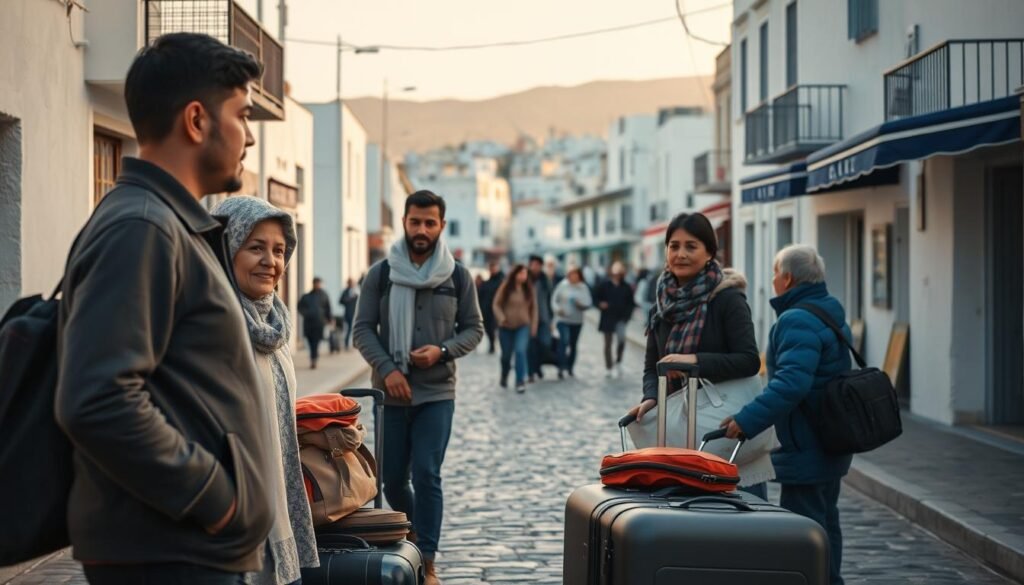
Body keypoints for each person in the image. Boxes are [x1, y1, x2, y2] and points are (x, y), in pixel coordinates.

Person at [54, 33, 274, 584]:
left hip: (181, 549)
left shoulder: (165, 222)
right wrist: (217, 498)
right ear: (197, 121)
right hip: (171, 553)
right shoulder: (143, 228)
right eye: (242, 115)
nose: (248, 137)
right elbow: (98, 398)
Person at [352, 190, 483, 585]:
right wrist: (389, 369)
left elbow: (474, 329)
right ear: (405, 222)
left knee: (427, 473)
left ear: (441, 225)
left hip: (437, 394)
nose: (421, 229)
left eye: (430, 222)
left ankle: (426, 560)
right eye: (415, 221)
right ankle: (409, 536)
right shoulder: (381, 273)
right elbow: (361, 330)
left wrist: (442, 351)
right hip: (390, 395)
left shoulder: (458, 276)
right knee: (392, 480)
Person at [721, 244, 853, 585]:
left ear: (788, 277)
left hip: (806, 440)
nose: (773, 280)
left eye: (775, 273)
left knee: (805, 527)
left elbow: (792, 382)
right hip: (831, 435)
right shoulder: (829, 309)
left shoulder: (796, 319)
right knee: (825, 519)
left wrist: (746, 421)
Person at [213, 196, 319, 585]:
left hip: (277, 508)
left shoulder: (276, 326)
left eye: (278, 250)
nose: (270, 261)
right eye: (254, 247)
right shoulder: (211, 323)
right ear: (224, 250)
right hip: (230, 520)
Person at [627, 213, 765, 497]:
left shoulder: (728, 299)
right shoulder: (661, 307)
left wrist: (695, 362)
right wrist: (651, 398)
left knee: (739, 520)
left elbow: (749, 360)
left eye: (691, 246)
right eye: (674, 246)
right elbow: (653, 367)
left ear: (710, 253)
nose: (681, 254)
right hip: (680, 430)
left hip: (723, 428)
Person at [492, 264, 538, 393]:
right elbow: (496, 304)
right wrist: (501, 318)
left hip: (523, 326)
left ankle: (520, 381)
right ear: (515, 274)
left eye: (525, 273)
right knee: (506, 356)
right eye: (520, 273)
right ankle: (504, 374)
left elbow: (534, 309)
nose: (523, 276)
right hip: (506, 327)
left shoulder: (529, 289)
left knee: (520, 351)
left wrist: (533, 325)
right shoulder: (506, 287)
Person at [594, 261, 636, 378]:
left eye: (619, 272)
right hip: (607, 317)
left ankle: (618, 361)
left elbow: (631, 303)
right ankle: (608, 366)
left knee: (621, 341)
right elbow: (595, 297)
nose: (617, 274)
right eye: (615, 272)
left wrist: (627, 316)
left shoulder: (626, 286)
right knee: (608, 343)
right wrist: (600, 304)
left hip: (621, 318)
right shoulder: (604, 285)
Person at [551, 267, 592, 379]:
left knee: (573, 344)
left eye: (576, 275)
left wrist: (581, 305)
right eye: (571, 274)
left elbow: (589, 302)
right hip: (563, 319)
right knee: (564, 341)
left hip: (577, 320)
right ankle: (561, 366)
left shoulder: (583, 287)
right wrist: (558, 309)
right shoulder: (562, 285)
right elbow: (554, 300)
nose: (573, 277)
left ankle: (570, 367)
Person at [527, 255, 554, 382]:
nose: (535, 267)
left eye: (538, 265)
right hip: (529, 318)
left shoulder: (545, 280)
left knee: (544, 344)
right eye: (533, 264)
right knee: (531, 346)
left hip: (544, 317)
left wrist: (551, 319)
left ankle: (538, 367)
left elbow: (550, 299)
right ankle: (531, 371)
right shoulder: (525, 279)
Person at [298, 277, 332, 369]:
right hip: (308, 324)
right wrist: (306, 313)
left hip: (319, 324)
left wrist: (330, 319)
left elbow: (328, 308)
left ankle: (314, 359)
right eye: (316, 283)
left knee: (316, 343)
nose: (317, 285)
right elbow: (300, 307)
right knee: (310, 342)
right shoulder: (306, 296)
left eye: (319, 283)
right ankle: (313, 357)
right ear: (313, 284)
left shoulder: (324, 295)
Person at [478, 261, 504, 354]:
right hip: (485, 309)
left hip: (496, 310)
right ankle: (492, 344)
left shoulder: (501, 281)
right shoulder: (487, 282)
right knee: (488, 329)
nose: (492, 270)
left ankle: (493, 346)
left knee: (492, 328)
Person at [339, 278, 361, 351]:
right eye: (350, 283)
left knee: (356, 329)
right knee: (348, 329)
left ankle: (355, 344)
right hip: (348, 314)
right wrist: (350, 298)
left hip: (356, 313)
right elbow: (341, 301)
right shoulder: (345, 292)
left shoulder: (357, 291)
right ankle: (346, 344)